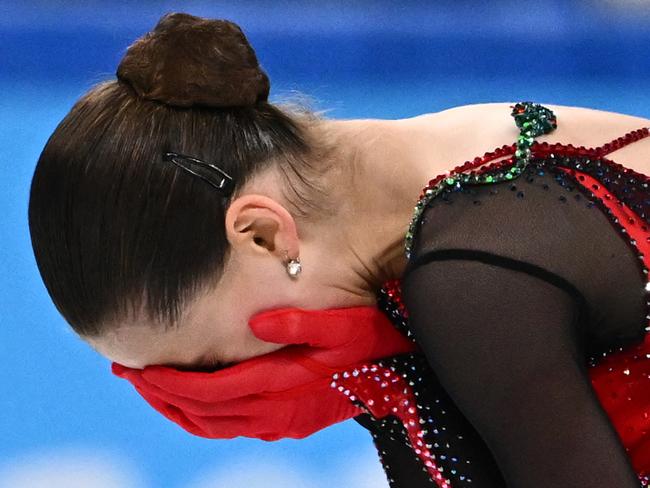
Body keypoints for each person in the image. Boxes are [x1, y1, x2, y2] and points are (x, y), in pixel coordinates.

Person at [27, 11, 650, 488]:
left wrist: (394, 387)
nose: (225, 395)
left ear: (263, 235)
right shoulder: (441, 175)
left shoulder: (474, 277)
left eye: (211, 366)